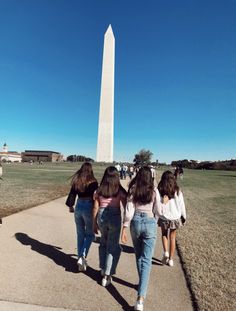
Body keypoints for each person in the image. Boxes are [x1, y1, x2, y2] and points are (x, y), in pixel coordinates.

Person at [121, 166, 158, 311]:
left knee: (139, 256)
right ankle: (140, 298)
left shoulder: (133, 189)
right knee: (147, 260)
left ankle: (141, 283)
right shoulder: (154, 190)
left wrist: (125, 226)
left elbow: (129, 210)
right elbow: (159, 210)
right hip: (149, 222)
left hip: (135, 221)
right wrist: (154, 217)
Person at [93, 166, 127, 287]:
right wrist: (125, 225)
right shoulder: (119, 190)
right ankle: (107, 274)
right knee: (112, 246)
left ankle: (103, 268)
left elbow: (96, 207)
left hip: (102, 215)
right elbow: (126, 207)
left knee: (103, 242)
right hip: (114, 216)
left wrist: (94, 223)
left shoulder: (99, 190)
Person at [65, 162, 98, 272]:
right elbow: (95, 199)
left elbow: (72, 194)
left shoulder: (77, 181)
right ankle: (82, 256)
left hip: (78, 206)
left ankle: (80, 258)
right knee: (90, 234)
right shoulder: (93, 182)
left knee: (80, 234)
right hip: (88, 206)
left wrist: (71, 206)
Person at [156, 170, 186, 267]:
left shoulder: (160, 190)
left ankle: (166, 252)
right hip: (175, 217)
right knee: (173, 237)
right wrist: (184, 216)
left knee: (164, 234)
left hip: (164, 217)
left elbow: (157, 203)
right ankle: (171, 259)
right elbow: (182, 205)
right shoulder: (177, 190)